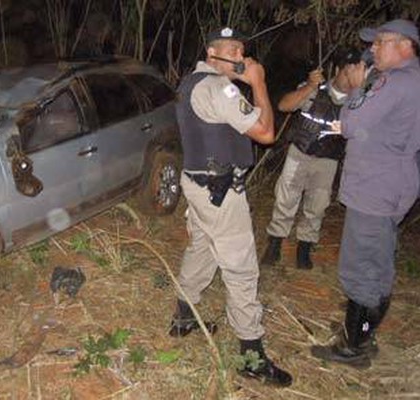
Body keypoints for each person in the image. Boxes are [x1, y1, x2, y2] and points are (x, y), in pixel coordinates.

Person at [169, 26, 292, 387]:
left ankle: (183, 317)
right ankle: (251, 357)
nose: (241, 57)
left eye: (243, 50)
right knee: (241, 268)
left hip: (198, 183)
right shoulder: (218, 88)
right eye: (233, 50)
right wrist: (258, 82)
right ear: (212, 54)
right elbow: (267, 133)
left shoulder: (191, 81)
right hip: (219, 191)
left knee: (202, 249)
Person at [311, 19, 420, 368]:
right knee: (376, 261)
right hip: (391, 181)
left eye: (380, 42)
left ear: (405, 46)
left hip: (377, 186)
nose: (373, 48)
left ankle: (354, 347)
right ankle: (359, 331)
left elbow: (354, 124)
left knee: (362, 267)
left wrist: (359, 89)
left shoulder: (396, 82)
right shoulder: (411, 80)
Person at [260, 50, 361, 269]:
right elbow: (284, 105)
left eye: (357, 71)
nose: (351, 77)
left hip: (328, 160)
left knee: (318, 205)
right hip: (300, 153)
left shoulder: (358, 102)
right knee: (285, 199)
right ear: (338, 70)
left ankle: (304, 248)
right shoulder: (315, 89)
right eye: (348, 70)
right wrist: (309, 86)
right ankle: (275, 243)